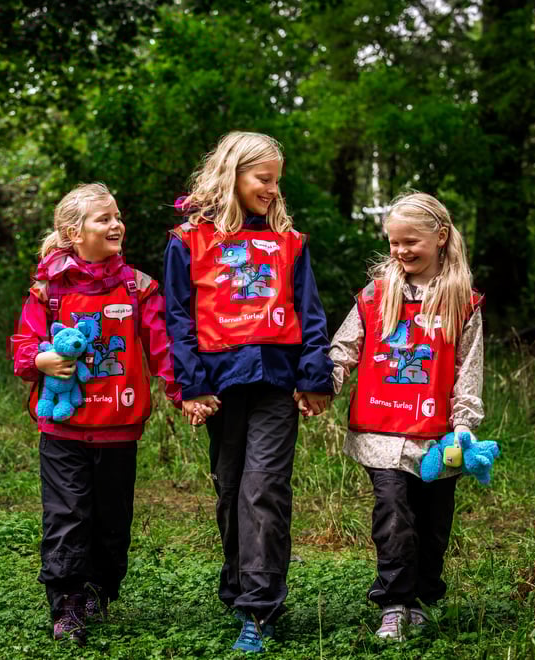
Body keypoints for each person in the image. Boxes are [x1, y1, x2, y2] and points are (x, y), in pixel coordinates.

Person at [164, 131, 334, 653]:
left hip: (276, 384)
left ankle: (259, 610)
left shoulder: (290, 243)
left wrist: (314, 376)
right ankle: (239, 584)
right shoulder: (187, 240)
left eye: (277, 182)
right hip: (220, 387)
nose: (273, 190)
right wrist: (191, 385)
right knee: (231, 488)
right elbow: (177, 316)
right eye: (264, 179)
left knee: (264, 490)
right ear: (233, 174)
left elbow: (309, 312)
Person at [9, 182, 187, 646]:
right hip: (63, 428)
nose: (116, 224)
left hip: (118, 429)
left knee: (111, 520)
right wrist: (41, 361)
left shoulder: (138, 287)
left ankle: (98, 589)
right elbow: (24, 347)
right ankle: (66, 603)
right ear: (73, 232)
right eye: (103, 218)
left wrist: (185, 393)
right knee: (67, 516)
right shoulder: (47, 289)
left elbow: (161, 349)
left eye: (117, 216)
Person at [328, 192, 484, 641]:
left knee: (433, 525)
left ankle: (423, 595)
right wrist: (324, 384)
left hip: (439, 437)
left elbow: (467, 371)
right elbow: (344, 349)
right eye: (393, 242)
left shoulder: (464, 302)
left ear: (440, 237)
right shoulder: (376, 294)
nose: (400, 251)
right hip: (383, 433)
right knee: (393, 516)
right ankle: (393, 603)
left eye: (410, 241)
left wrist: (464, 427)